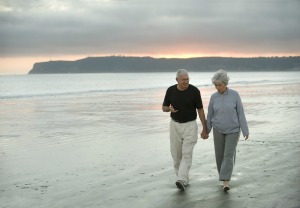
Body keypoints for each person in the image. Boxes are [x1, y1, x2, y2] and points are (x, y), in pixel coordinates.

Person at [162, 69, 208, 191]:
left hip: (190, 126)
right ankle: (182, 179)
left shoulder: (194, 91)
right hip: (175, 125)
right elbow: (164, 107)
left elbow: (200, 110)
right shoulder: (170, 90)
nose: (186, 81)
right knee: (176, 155)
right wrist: (169, 109)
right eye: (183, 79)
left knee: (187, 153)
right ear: (177, 80)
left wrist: (205, 127)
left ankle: (181, 179)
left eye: (187, 79)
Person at [206, 69, 249, 192]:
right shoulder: (213, 97)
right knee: (219, 155)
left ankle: (226, 181)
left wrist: (245, 130)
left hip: (233, 129)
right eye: (216, 85)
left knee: (228, 154)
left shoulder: (235, 95)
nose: (218, 87)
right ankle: (224, 176)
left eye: (220, 85)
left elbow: (240, 113)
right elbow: (210, 114)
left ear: (226, 83)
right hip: (218, 129)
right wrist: (207, 130)